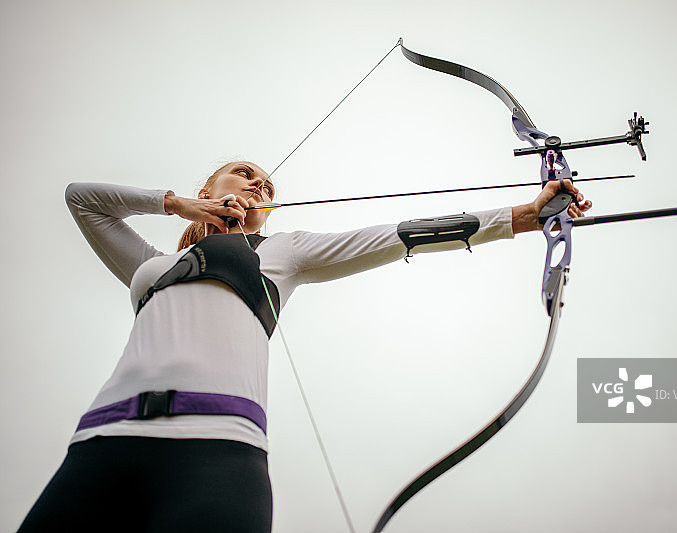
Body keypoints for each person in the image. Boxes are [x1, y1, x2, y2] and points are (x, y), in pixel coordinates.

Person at [18, 161, 591, 532]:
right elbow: (81, 198)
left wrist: (523, 216)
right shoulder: (149, 264)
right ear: (208, 189)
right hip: (102, 442)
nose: (259, 185)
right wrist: (177, 205)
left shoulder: (283, 251)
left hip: (217, 452)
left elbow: (398, 235)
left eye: (267, 187)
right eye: (245, 174)